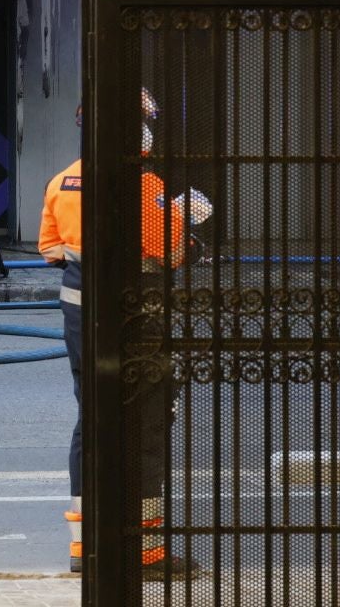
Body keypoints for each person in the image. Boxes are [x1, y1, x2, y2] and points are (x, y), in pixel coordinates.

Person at [38, 92, 206, 581]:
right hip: (136, 314)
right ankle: (147, 552)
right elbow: (169, 253)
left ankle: (84, 545)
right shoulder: (141, 184)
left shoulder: (63, 179)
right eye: (145, 122)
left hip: (79, 312)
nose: (149, 132)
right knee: (146, 421)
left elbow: (51, 249)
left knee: (90, 419)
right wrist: (185, 225)